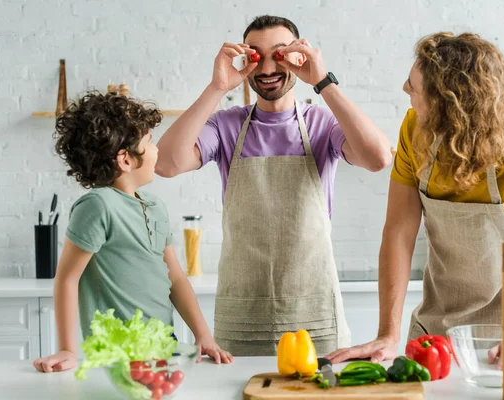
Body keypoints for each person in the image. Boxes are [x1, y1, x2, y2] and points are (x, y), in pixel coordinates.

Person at [327, 32, 504, 366]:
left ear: (451, 102)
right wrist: (388, 333)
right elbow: (398, 231)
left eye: (414, 86)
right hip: (432, 338)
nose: (405, 89)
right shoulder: (415, 130)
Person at [155, 15, 392, 356]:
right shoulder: (227, 126)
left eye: (279, 54)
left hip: (314, 316)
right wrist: (217, 88)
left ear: (299, 57)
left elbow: (378, 158)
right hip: (242, 317)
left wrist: (323, 80)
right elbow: (165, 163)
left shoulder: (322, 123)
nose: (266, 68)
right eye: (255, 55)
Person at [33, 91, 232, 373]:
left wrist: (204, 335)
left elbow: (175, 278)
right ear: (125, 160)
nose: (157, 150)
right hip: (115, 354)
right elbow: (67, 278)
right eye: (150, 142)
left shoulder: (155, 207)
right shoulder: (97, 206)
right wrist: (67, 349)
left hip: (164, 347)